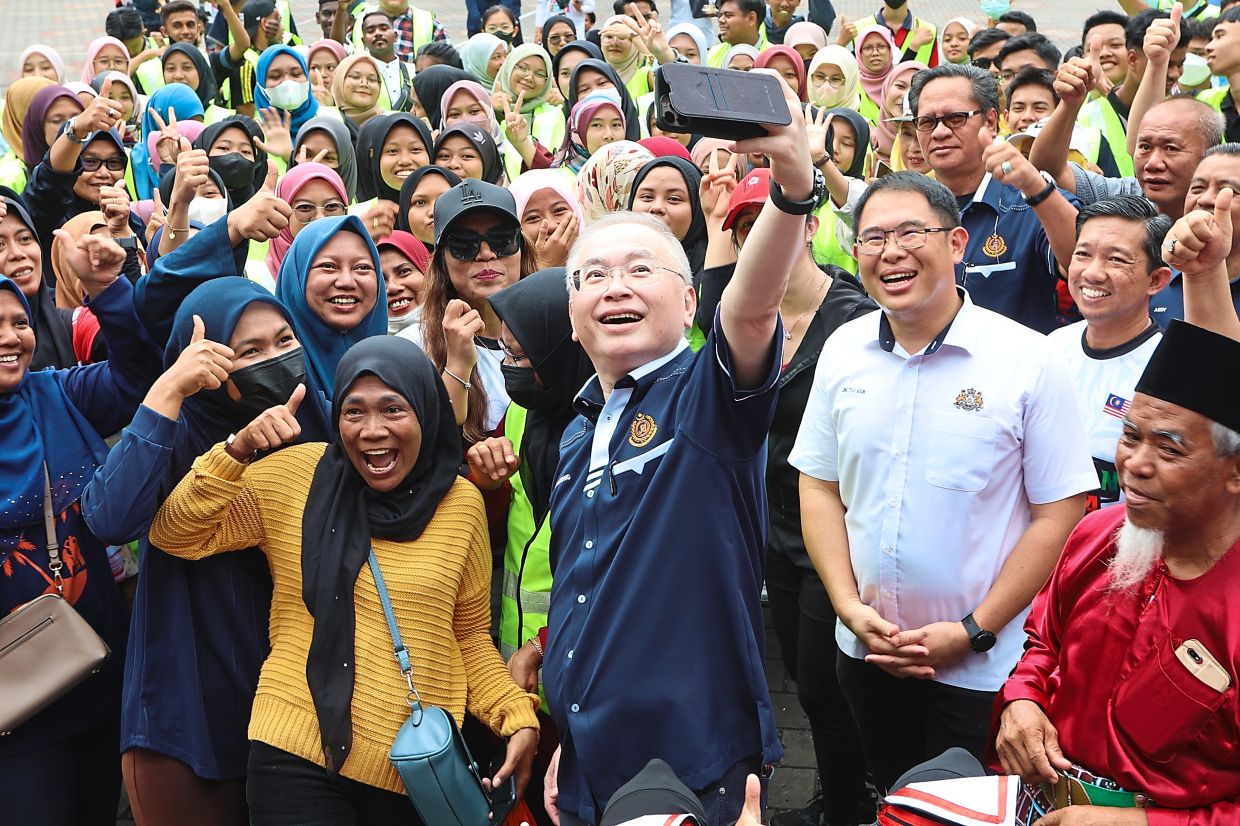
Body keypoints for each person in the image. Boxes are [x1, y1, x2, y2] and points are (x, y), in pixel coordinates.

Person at [538, 74, 814, 826]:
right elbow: (581, 589)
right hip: (589, 754)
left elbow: (753, 310)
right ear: (572, 316)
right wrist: (571, 729)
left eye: (640, 270)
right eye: (591, 276)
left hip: (688, 758)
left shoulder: (706, 396)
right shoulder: (575, 430)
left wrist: (792, 189)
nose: (613, 287)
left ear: (689, 301)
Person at [148, 335, 541, 825]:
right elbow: (176, 533)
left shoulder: (460, 504)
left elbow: (466, 638)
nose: (372, 431)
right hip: (295, 748)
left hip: (415, 768)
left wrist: (515, 714)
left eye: (394, 409)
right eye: (354, 412)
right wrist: (238, 448)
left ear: (426, 410)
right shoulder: (296, 474)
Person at [789, 171, 1096, 792]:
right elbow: (819, 484)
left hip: (983, 669)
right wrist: (848, 608)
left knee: (972, 807)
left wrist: (974, 629)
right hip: (870, 653)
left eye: (911, 233)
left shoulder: (1027, 360)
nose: (891, 252)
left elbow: (1062, 510)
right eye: (873, 238)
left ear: (957, 244)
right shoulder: (844, 351)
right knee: (895, 797)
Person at [993, 313, 1240, 823]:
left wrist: (1141, 822)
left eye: (1169, 448)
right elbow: (1043, 645)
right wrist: (1022, 701)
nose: (1134, 463)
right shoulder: (1096, 533)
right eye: (1130, 435)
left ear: (1233, 473)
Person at [696, 166, 878, 826]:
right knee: (807, 680)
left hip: (833, 532)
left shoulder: (854, 317)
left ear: (805, 227)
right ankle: (845, 795)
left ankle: (848, 806)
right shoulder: (745, 316)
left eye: (767, 225)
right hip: (768, 527)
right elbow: (710, 300)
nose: (756, 240)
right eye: (743, 230)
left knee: (828, 684)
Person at [0, 224, 162, 826]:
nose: (11, 337)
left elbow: (139, 377)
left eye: (17, 322)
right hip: (14, 706)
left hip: (96, 668)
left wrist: (109, 290)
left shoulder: (54, 393)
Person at [909, 63, 1079, 333]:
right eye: (927, 122)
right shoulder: (904, 206)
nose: (940, 132)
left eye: (955, 118)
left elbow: (1083, 262)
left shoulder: (1031, 204)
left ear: (990, 121)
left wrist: (1036, 187)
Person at [1047, 196, 1173, 514]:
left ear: (1156, 280)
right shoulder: (1050, 348)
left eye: (1116, 260)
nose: (1093, 273)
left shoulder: (1168, 370)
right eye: (1083, 255)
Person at [705, 0, 770, 67]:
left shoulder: (775, 57)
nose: (721, 20)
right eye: (720, 15)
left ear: (751, 18)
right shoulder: (713, 54)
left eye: (728, 15)